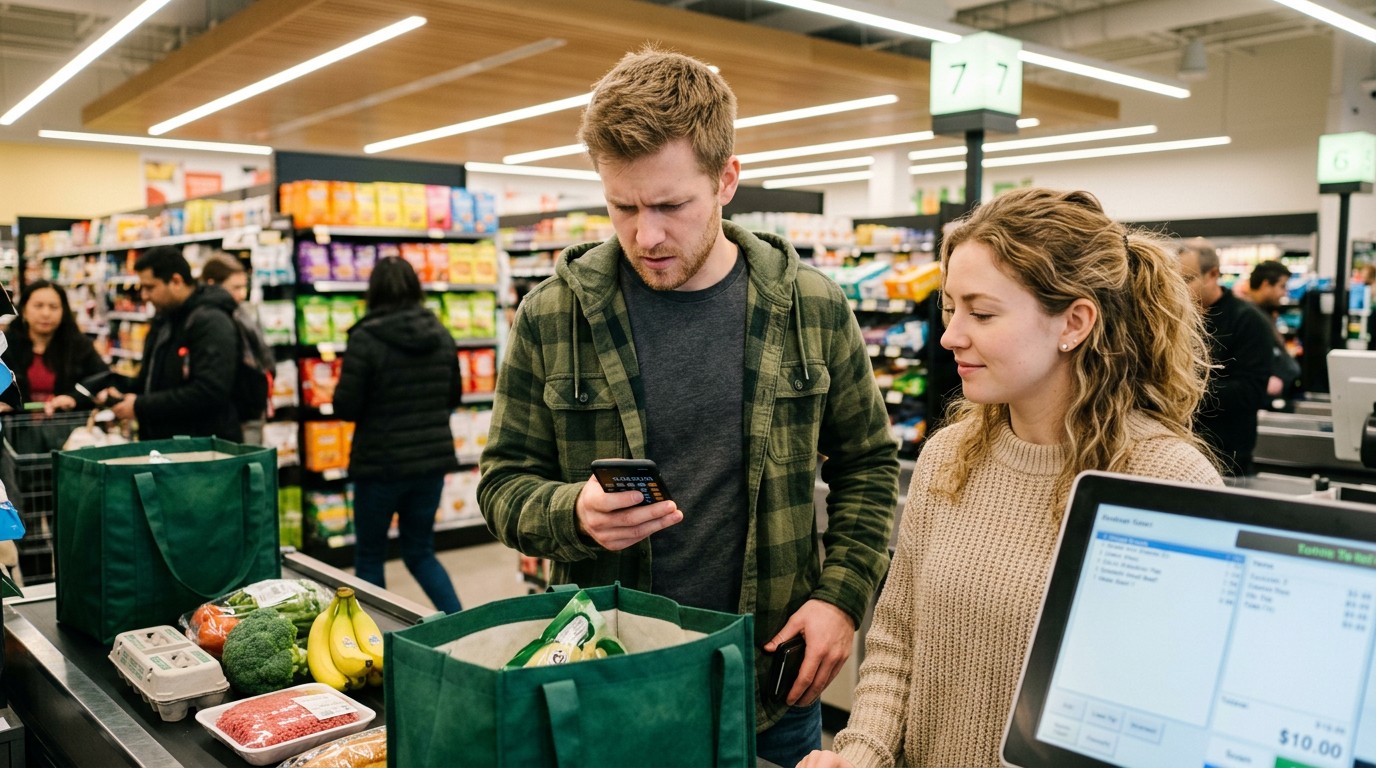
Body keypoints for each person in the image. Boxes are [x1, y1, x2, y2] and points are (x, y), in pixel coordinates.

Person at [476, 47, 899, 768]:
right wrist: (571, 513)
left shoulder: (811, 306)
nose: (646, 235)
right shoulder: (554, 314)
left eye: (672, 205)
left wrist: (842, 597)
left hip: (769, 685)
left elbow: (868, 464)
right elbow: (502, 484)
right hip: (605, 678)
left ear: (726, 179)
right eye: (623, 207)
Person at [800, 188, 1223, 768]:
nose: (950, 336)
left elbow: (1180, 710)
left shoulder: (1167, 481)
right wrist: (860, 752)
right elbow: (898, 642)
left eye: (983, 312)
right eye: (951, 308)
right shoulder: (949, 457)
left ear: (1074, 321)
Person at [333, 256, 463, 615]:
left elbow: (345, 406)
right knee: (420, 553)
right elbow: (454, 396)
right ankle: (460, 622)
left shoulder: (365, 338)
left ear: (373, 292)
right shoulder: (441, 333)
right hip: (430, 465)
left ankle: (372, 644)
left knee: (370, 557)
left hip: (380, 466)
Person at [101, 245, 242, 441]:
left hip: (202, 452)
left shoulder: (211, 321)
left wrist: (141, 406)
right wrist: (121, 391)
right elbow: (152, 381)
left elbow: (209, 391)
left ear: (176, 281)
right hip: (166, 447)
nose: (144, 295)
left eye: (150, 287)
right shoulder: (165, 319)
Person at [1178, 237, 1274, 476]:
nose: (1180, 289)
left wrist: (1183, 391)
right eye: (1176, 281)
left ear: (1212, 274)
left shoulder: (1248, 320)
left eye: (1188, 280)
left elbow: (1251, 391)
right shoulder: (1177, 319)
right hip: (1182, 450)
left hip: (1227, 457)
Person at [200, 253, 275, 444]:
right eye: (236, 287)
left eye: (244, 287)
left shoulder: (241, 313)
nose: (242, 294)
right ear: (211, 283)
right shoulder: (213, 320)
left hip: (250, 410)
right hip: (235, 414)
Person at [1, 280, 107, 414]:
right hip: (14, 430)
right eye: (38, 306)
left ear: (63, 311)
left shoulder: (79, 346)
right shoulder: (5, 345)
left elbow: (103, 380)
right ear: (24, 310)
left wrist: (74, 398)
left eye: (54, 307)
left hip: (66, 429)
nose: (46, 313)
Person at [1245, 259, 1300, 400]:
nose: (1284, 293)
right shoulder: (1247, 318)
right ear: (1266, 285)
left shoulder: (1265, 314)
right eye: (1282, 286)